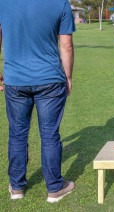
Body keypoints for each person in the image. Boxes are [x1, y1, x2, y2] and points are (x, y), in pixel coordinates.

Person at [0, 0, 76, 203]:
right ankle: (54, 188)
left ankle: (16, 188)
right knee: (50, 134)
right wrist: (68, 77)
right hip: (50, 79)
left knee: (17, 134)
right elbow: (66, 45)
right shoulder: (60, 4)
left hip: (15, 79)